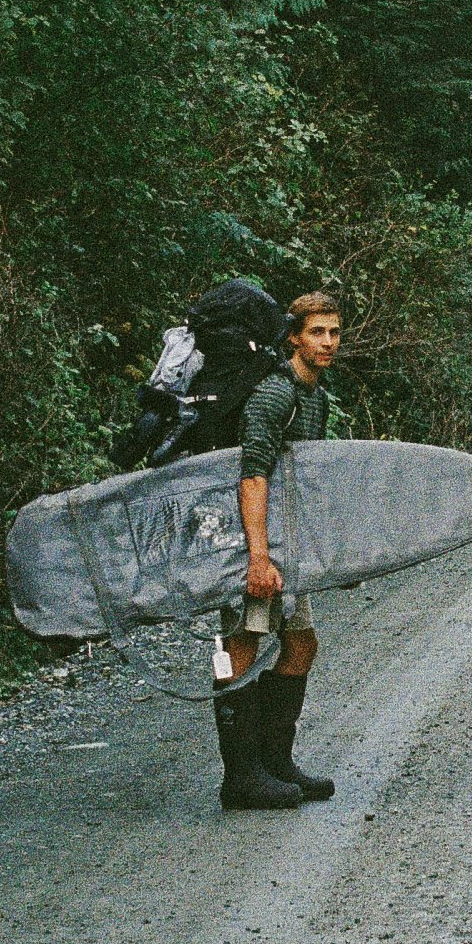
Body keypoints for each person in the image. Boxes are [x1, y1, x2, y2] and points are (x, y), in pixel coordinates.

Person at [211, 291, 343, 811]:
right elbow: (253, 477)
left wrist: (331, 554)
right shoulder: (273, 395)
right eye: (317, 332)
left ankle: (275, 761)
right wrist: (257, 558)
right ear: (294, 336)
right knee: (237, 647)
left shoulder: (316, 396)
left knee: (301, 645)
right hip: (251, 541)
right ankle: (241, 776)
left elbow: (306, 482)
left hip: (288, 543)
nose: (328, 342)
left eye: (334, 332)